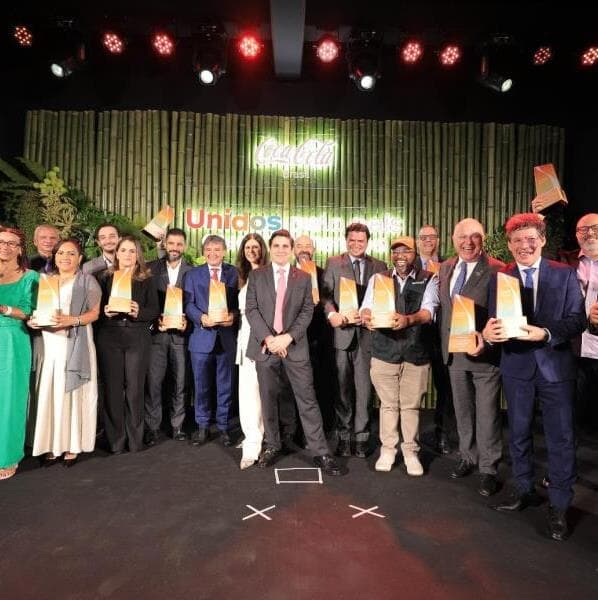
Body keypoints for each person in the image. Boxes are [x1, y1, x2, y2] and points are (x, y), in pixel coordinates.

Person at [483, 213, 586, 541]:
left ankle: (559, 504)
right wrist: (488, 332)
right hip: (516, 366)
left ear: (542, 240)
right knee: (518, 434)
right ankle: (524, 488)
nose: (524, 246)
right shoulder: (501, 277)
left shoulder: (564, 273)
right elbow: (493, 320)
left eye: (530, 239)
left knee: (560, 438)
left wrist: (545, 333)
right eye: (517, 240)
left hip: (555, 368)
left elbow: (577, 320)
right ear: (509, 244)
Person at [245, 229, 345, 476]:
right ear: (270, 248)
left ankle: (321, 451)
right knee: (268, 399)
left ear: (291, 250)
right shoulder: (257, 276)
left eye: (285, 246)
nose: (281, 250)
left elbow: (307, 311)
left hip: (295, 346)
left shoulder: (303, 277)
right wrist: (270, 339)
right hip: (266, 347)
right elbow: (251, 309)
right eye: (276, 245)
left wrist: (287, 338)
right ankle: (272, 444)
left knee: (307, 400)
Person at [437, 218, 505, 497]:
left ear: (483, 239)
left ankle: (489, 469)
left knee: (487, 415)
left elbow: (503, 312)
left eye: (474, 236)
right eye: (462, 237)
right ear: (453, 239)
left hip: (484, 355)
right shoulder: (445, 267)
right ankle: (467, 456)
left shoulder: (498, 269)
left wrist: (485, 340)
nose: (468, 242)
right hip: (453, 352)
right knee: (462, 411)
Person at [361, 237, 439, 475]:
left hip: (416, 352)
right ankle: (388, 450)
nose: (400, 256)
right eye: (396, 251)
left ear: (415, 253)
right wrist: (366, 316)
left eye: (406, 251)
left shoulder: (429, 278)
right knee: (388, 405)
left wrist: (408, 320)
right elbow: (366, 306)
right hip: (384, 351)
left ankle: (410, 452)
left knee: (411, 406)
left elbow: (429, 312)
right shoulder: (379, 278)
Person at [28, 239, 101, 466]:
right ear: (55, 256)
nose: (65, 257)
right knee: (51, 390)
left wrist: (73, 320)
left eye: (71, 253)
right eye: (61, 253)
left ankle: (72, 445)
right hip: (50, 344)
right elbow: (37, 310)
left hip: (76, 342)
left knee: (73, 392)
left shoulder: (87, 281)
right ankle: (51, 444)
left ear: (80, 258)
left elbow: (94, 313)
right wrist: (33, 321)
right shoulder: (45, 280)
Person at [321, 223, 386, 458]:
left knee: (365, 390)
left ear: (367, 242)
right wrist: (332, 315)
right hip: (343, 334)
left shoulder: (379, 266)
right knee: (342, 388)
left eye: (361, 241)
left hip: (368, 335)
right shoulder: (333, 263)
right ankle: (343, 436)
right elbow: (325, 296)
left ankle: (361, 437)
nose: (356, 244)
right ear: (346, 240)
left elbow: (385, 299)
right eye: (352, 240)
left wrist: (377, 316)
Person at [96, 236, 160, 454]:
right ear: (116, 253)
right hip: (109, 337)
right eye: (123, 250)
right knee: (113, 390)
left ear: (138, 255)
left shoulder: (147, 280)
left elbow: (154, 310)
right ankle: (115, 441)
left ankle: (135, 441)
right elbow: (94, 311)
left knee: (135, 390)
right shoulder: (104, 277)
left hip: (137, 337)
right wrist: (104, 312)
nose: (127, 254)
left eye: (132, 251)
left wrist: (139, 311)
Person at [184, 235, 238, 447]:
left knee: (225, 385)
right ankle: (203, 426)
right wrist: (201, 318)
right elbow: (188, 304)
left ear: (224, 252)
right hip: (201, 337)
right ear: (203, 252)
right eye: (208, 249)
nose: (213, 253)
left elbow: (239, 304)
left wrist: (233, 316)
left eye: (217, 249)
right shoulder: (192, 274)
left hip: (226, 338)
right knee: (201, 386)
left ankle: (223, 426)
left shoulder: (234, 273)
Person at [144, 228, 193, 445]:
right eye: (171, 243)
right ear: (165, 244)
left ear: (185, 246)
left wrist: (187, 322)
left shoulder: (192, 272)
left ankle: (177, 425)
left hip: (181, 336)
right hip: (157, 334)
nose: (174, 248)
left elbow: (195, 303)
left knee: (180, 383)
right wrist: (155, 322)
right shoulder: (149, 269)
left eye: (179, 244)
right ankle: (152, 427)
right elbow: (145, 300)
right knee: (153, 383)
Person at [0, 227, 39, 480]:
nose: (5, 246)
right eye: (1, 242)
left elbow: (30, 310)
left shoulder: (30, 276)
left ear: (20, 248)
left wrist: (4, 308)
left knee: (10, 400)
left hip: (12, 340)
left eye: (11, 243)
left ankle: (7, 456)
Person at [416, 224, 454, 455]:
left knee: (445, 386)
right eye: (424, 237)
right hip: (416, 334)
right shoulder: (409, 266)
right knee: (413, 388)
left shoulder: (450, 266)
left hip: (442, 333)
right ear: (417, 241)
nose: (428, 241)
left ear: (438, 240)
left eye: (432, 237)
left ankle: (442, 434)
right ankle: (409, 437)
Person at [294, 235, 336, 433]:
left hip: (319, 337)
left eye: (308, 246)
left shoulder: (323, 274)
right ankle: (295, 430)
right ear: (293, 250)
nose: (304, 249)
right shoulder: (286, 273)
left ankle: (322, 429)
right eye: (299, 245)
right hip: (294, 339)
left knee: (320, 383)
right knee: (295, 387)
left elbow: (330, 301)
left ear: (314, 250)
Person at [235, 233, 269, 469]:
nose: (251, 251)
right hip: (245, 335)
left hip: (263, 336)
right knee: (247, 392)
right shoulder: (242, 276)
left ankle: (260, 439)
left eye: (255, 247)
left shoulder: (268, 275)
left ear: (262, 250)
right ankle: (252, 441)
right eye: (247, 247)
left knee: (264, 392)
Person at [573, 213, 598, 432]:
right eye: (583, 229)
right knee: (574, 413)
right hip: (575, 348)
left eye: (595, 228)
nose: (589, 233)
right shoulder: (565, 261)